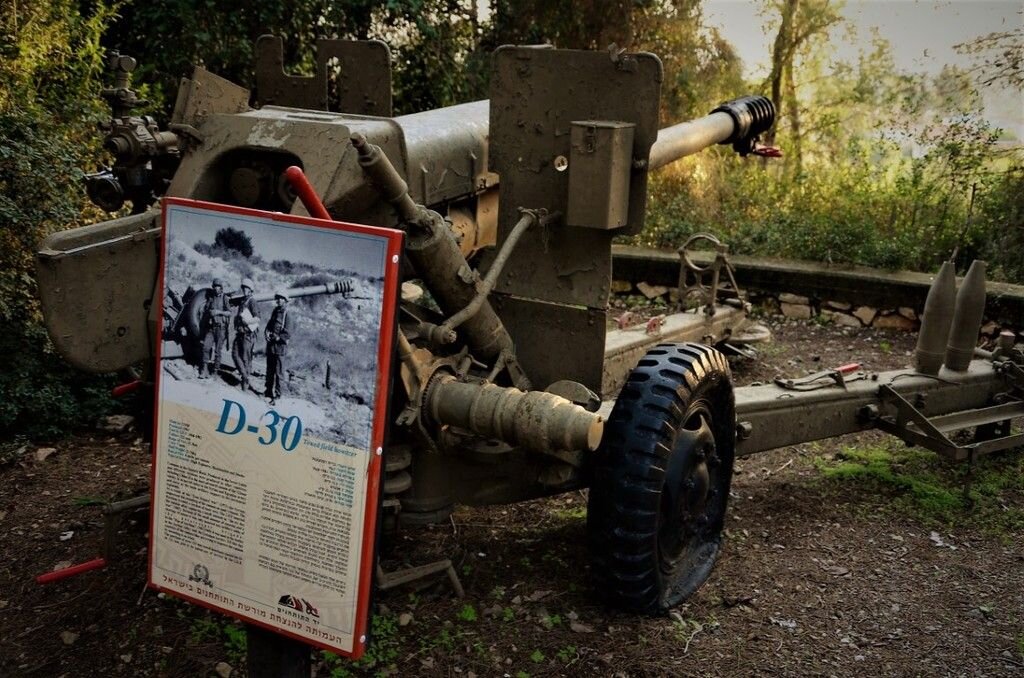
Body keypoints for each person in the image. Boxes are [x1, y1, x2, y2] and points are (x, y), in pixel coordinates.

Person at [198, 278, 231, 379]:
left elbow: (229, 313)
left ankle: (215, 372)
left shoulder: (225, 298)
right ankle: (205, 369)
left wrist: (218, 312)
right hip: (211, 328)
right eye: (215, 286)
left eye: (218, 287)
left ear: (221, 288)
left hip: (221, 329)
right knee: (206, 348)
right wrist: (209, 312)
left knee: (217, 351)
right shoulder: (211, 298)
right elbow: (206, 310)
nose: (216, 288)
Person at [232, 278, 260, 392]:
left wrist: (247, 322)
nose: (244, 290)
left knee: (245, 358)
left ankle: (245, 380)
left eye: (246, 288)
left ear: (250, 290)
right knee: (234, 354)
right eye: (243, 288)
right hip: (240, 333)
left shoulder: (252, 301)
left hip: (248, 334)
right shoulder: (243, 301)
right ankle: (245, 376)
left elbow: (257, 318)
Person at [264, 291, 292, 404]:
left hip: (280, 348)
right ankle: (268, 392)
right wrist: (266, 333)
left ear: (285, 301)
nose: (279, 300)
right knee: (269, 370)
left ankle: (278, 396)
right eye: (278, 298)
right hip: (271, 346)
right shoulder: (275, 311)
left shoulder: (287, 315)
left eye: (281, 299)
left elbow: (287, 333)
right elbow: (269, 325)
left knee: (279, 372)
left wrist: (277, 337)